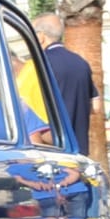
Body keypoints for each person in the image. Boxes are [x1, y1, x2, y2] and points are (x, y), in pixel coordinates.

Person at [28, 13, 99, 153]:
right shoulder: (81, 63)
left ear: (41, 36)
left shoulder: (37, 65)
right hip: (79, 151)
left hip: (51, 152)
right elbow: (96, 106)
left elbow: (26, 111)